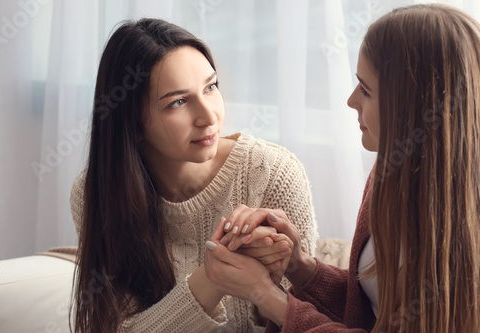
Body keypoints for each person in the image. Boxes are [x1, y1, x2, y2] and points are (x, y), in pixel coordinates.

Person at [204, 4, 480, 332]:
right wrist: (300, 266)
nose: (351, 101)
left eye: (365, 89)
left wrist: (265, 296)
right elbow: (367, 308)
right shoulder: (388, 176)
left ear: (410, 105)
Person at [69, 18, 318, 332]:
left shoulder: (273, 173)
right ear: (132, 125)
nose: (208, 115)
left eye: (211, 87)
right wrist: (213, 277)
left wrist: (277, 268)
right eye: (178, 102)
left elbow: (310, 319)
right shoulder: (97, 194)